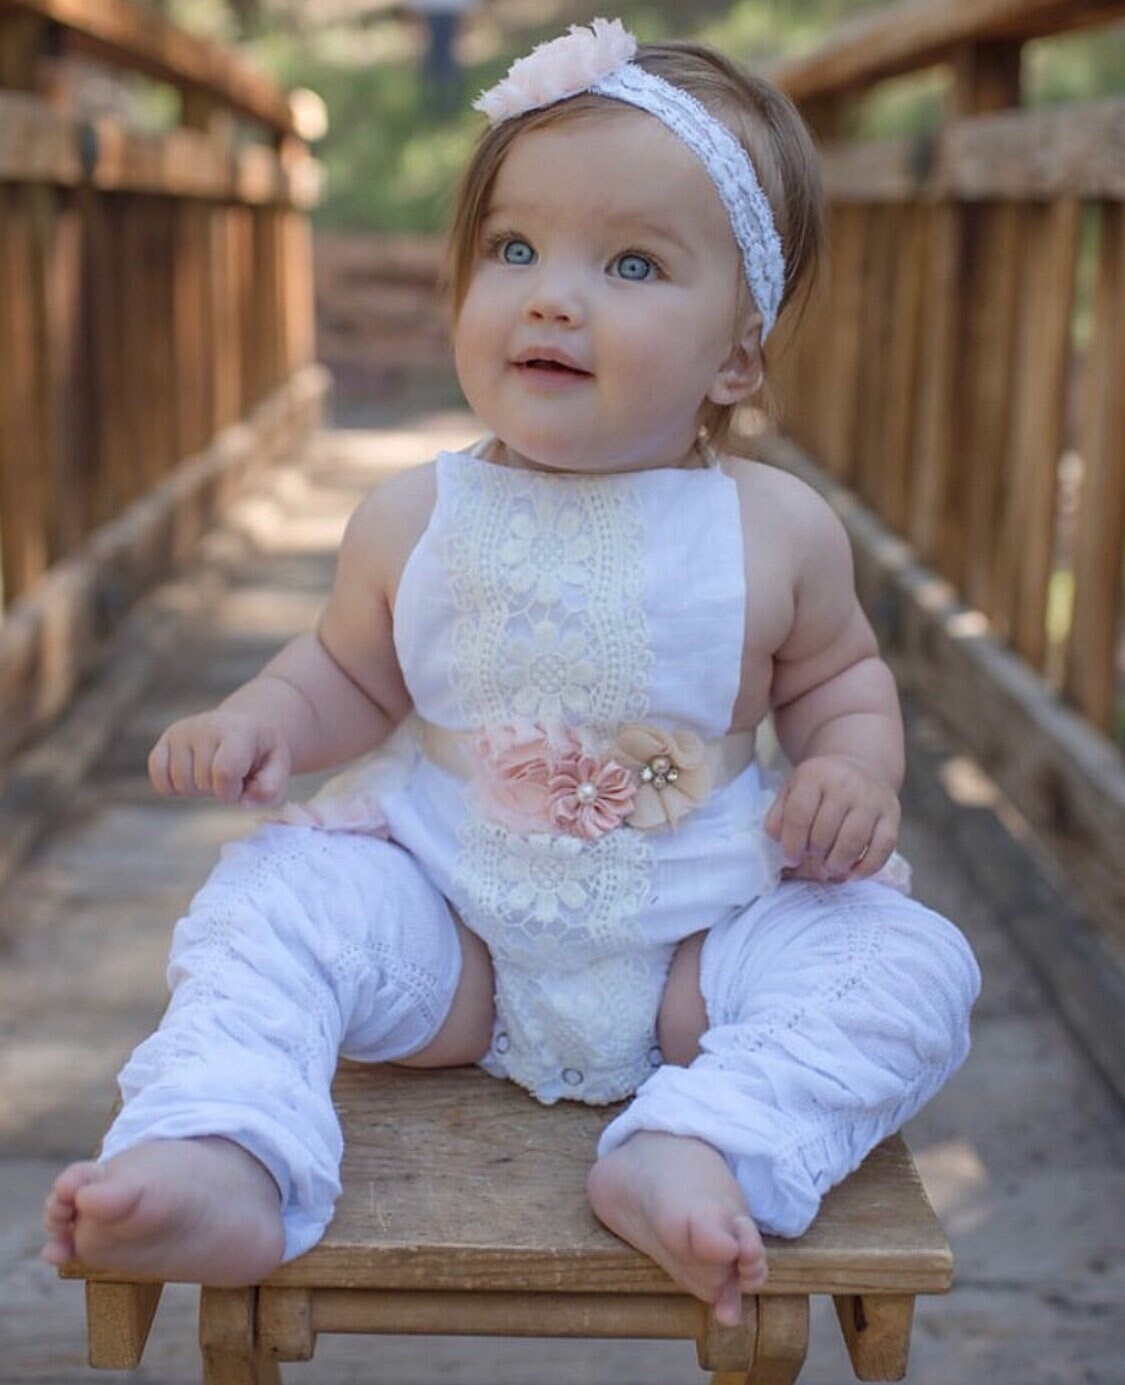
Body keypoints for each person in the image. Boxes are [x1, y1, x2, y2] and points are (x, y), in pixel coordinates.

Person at [42, 19, 980, 1327]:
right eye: (514, 249)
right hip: (451, 930)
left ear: (737, 353)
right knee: (271, 894)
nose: (552, 295)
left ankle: (701, 1141)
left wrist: (845, 769)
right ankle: (222, 1140)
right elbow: (347, 672)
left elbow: (838, 680)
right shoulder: (410, 518)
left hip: (696, 951)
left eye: (633, 263)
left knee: (905, 960)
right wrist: (265, 715)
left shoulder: (774, 528)